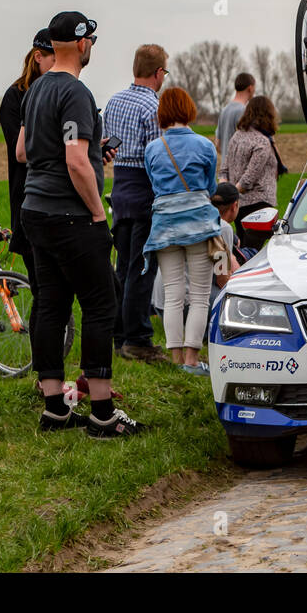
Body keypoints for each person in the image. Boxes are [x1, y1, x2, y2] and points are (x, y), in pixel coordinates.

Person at [17, 11, 142, 438]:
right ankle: (103, 413)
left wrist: (92, 155)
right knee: (100, 304)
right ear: (83, 44)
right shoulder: (75, 92)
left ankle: (54, 408)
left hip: (35, 210)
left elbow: (26, 152)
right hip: (70, 213)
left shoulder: (34, 90)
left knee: (50, 305)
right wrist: (97, 212)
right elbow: (73, 159)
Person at [143, 86, 219, 375]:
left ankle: (174, 359)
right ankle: (191, 359)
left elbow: (155, 186)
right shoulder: (204, 146)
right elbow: (211, 187)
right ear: (188, 110)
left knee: (173, 293)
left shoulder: (153, 148)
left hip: (164, 228)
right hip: (199, 225)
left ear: (162, 113)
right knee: (199, 296)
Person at [103, 45, 167, 363]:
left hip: (119, 190)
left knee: (122, 267)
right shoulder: (153, 107)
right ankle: (138, 339)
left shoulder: (114, 102)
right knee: (142, 268)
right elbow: (156, 157)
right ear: (158, 73)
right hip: (144, 190)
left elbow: (107, 146)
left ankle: (118, 336)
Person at [0, 28, 54, 341]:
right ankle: (43, 363)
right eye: (54, 58)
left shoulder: (63, 91)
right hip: (29, 202)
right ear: (38, 57)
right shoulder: (15, 97)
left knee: (56, 289)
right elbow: (21, 153)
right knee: (43, 288)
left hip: (61, 204)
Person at [151, 182, 243, 337]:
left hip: (160, 303)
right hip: (185, 305)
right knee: (241, 306)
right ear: (234, 206)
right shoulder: (223, 227)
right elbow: (222, 279)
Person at [225, 96, 285, 251]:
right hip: (260, 205)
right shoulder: (262, 141)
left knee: (244, 247)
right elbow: (249, 177)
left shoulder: (236, 136)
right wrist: (233, 192)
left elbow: (224, 169)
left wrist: (229, 193)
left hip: (239, 206)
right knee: (252, 253)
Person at [214, 73, 255, 177]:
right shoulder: (244, 111)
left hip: (224, 176)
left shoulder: (224, 111)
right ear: (250, 88)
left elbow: (218, 145)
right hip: (238, 178)